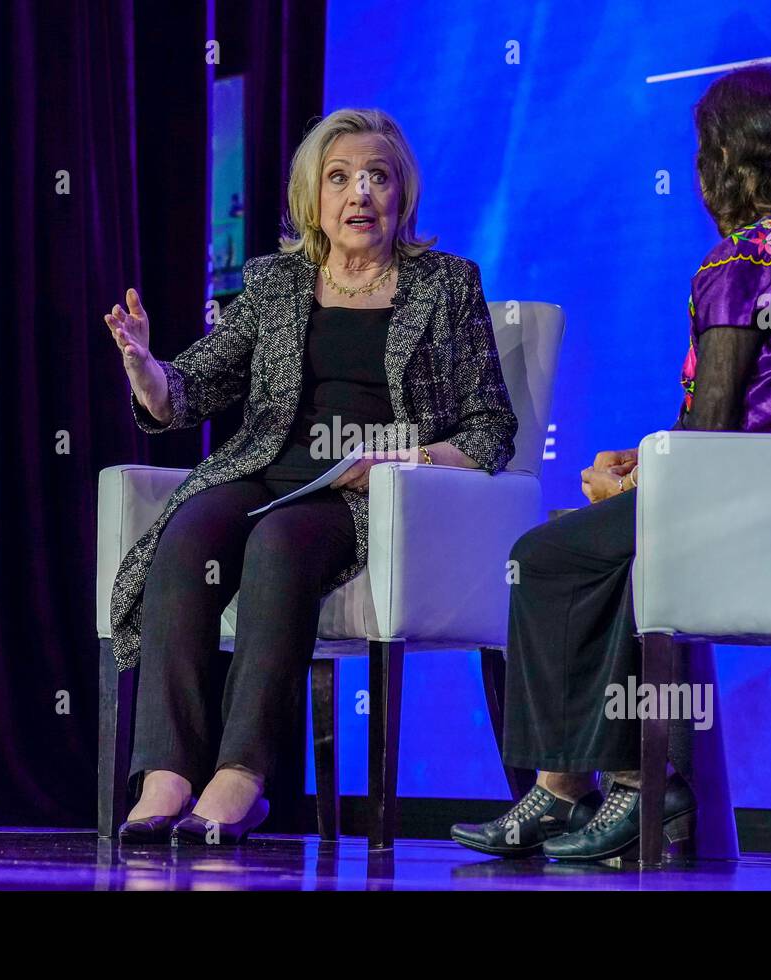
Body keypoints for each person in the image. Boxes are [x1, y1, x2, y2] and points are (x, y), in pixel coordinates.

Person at [452, 65, 771, 862]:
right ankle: (589, 788)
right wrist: (644, 466)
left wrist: (635, 479)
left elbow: (713, 430)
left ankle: (611, 784)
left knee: (544, 555)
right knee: (605, 543)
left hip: (754, 512)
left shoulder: (743, 259)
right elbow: (763, 406)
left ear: (727, 162)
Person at [105, 108, 518, 844]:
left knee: (281, 544)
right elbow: (194, 386)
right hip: (265, 471)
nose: (360, 192)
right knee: (185, 536)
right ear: (314, 201)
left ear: (402, 197)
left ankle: (242, 776)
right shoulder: (274, 284)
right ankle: (166, 773)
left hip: (363, 493)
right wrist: (147, 370)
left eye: (377, 177)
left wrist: (407, 459)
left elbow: (491, 430)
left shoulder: (448, 285)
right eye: (340, 178)